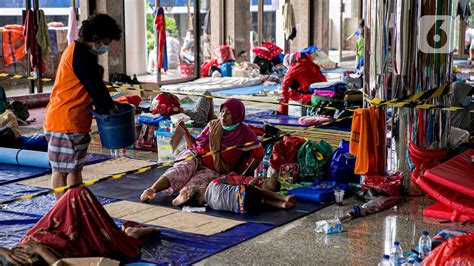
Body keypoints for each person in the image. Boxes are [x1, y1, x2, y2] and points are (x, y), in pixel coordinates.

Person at [43, 14, 122, 200]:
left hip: (73, 121)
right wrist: (111, 109)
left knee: (74, 170)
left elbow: (95, 87)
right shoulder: (80, 55)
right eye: (105, 42)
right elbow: (96, 88)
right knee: (61, 170)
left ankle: (73, 207)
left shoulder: (80, 52)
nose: (105, 47)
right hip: (65, 121)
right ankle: (62, 212)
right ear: (95, 38)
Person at [140, 98, 264, 202]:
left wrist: (244, 173)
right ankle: (152, 190)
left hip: (216, 169)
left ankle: (183, 195)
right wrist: (184, 131)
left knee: (199, 181)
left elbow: (259, 154)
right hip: (197, 156)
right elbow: (195, 145)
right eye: (222, 112)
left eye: (228, 113)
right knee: (181, 169)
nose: (223, 116)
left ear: (237, 114)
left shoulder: (245, 134)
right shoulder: (213, 125)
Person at [0, 187, 160, 265]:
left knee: (76, 193)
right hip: (59, 253)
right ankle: (129, 236)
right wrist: (39, 249)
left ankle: (125, 235)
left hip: (38, 236)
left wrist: (4, 251)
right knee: (107, 244)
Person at [170, 179, 296, 213]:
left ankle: (280, 205)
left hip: (244, 208)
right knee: (259, 192)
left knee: (260, 203)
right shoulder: (213, 184)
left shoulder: (212, 206)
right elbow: (232, 183)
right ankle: (283, 198)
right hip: (247, 192)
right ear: (202, 188)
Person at [214, 172, 281, 192]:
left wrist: (257, 178)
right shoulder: (259, 181)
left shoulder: (257, 189)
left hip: (232, 184)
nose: (263, 182)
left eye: (266, 185)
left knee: (215, 183)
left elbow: (248, 186)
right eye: (266, 180)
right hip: (233, 178)